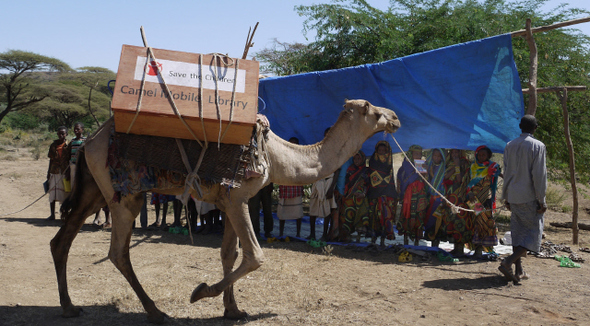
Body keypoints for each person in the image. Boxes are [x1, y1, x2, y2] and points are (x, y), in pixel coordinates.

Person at [500, 115, 547, 284]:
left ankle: (519, 271)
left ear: (520, 126)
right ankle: (508, 261)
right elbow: (539, 176)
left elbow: (507, 172)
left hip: (513, 195)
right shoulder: (538, 146)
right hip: (529, 197)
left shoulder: (510, 145)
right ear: (536, 128)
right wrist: (542, 200)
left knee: (518, 233)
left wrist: (505, 196)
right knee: (533, 235)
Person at [466, 145, 502, 257]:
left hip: (486, 198)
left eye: (484, 155)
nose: (481, 157)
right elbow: (467, 182)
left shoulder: (492, 167)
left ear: (488, 156)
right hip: (473, 199)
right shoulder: (472, 167)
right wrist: (469, 192)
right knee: (476, 222)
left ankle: (481, 249)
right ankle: (476, 248)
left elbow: (500, 175)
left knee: (485, 222)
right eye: (479, 155)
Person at [435, 149, 472, 256]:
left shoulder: (465, 163)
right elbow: (445, 177)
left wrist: (457, 166)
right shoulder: (448, 163)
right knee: (451, 221)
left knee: (460, 220)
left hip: (460, 196)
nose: (455, 155)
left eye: (457, 153)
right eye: (453, 153)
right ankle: (455, 247)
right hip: (450, 196)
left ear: (461, 153)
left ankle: (460, 248)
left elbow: (460, 180)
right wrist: (455, 166)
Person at [366, 141, 397, 246]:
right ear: (376, 151)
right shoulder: (372, 162)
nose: (382, 152)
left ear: (387, 152)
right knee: (374, 217)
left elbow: (390, 179)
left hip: (386, 194)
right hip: (374, 194)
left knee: (385, 216)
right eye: (380, 150)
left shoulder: (389, 164)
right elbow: (371, 177)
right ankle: (373, 239)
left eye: (384, 151)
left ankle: (383, 239)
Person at [397, 145, 428, 245]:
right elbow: (400, 181)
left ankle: (417, 241)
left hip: (420, 195)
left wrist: (424, 173)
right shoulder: (405, 167)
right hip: (408, 196)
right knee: (407, 215)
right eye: (416, 154)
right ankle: (406, 239)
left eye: (420, 154)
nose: (418, 156)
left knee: (419, 216)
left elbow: (426, 181)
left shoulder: (422, 165)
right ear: (410, 154)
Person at [277, 137, 304, 238]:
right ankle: (281, 233)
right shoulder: (283, 156)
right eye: (291, 143)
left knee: (298, 213)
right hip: (285, 186)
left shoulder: (301, 156)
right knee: (282, 213)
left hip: (296, 187)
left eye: (294, 143)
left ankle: (298, 233)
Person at [340, 151, 369, 242]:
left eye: (358, 159)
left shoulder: (366, 171)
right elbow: (346, 183)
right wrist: (345, 194)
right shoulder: (350, 169)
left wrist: (363, 194)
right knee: (348, 212)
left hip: (361, 197)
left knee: (361, 213)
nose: (356, 161)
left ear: (363, 159)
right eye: (355, 159)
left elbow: (368, 185)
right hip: (349, 196)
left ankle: (359, 237)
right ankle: (347, 235)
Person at [424, 148, 447, 247]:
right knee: (429, 218)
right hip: (430, 197)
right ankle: (429, 240)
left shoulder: (444, 168)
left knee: (438, 220)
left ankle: (435, 243)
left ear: (442, 157)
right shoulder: (429, 165)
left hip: (439, 198)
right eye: (434, 156)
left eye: (438, 156)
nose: (436, 158)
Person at [46, 126, 69, 220]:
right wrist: (48, 172)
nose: (61, 135)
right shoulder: (53, 145)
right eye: (59, 133)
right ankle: (52, 214)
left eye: (63, 133)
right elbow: (51, 160)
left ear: (66, 134)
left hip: (65, 171)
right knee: (52, 193)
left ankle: (63, 214)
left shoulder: (68, 145)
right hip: (54, 171)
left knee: (65, 193)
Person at [308, 172, 337, 240]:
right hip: (317, 181)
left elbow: (337, 172)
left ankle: (324, 235)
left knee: (326, 207)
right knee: (313, 207)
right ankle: (312, 234)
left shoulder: (333, 161)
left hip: (328, 181)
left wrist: (331, 187)